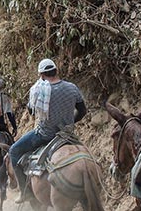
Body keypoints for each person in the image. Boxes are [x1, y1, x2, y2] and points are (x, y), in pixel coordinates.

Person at [8, 59, 86, 203]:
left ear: (42, 75)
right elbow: (82, 111)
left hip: (44, 135)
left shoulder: (38, 90)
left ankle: (24, 192)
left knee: (13, 151)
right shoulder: (72, 87)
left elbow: (32, 112)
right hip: (67, 134)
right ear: (56, 71)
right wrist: (68, 123)